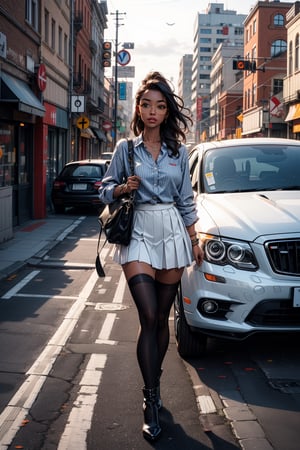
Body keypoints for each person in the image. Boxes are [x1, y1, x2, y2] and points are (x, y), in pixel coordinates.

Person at [98, 71, 204, 441]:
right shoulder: (126, 150)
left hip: (172, 231)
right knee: (147, 313)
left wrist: (194, 238)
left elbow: (185, 200)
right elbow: (104, 189)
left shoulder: (178, 152)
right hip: (138, 230)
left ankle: (153, 382)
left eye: (160, 106)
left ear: (167, 111)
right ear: (139, 109)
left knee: (160, 319)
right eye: (146, 105)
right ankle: (151, 397)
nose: (153, 111)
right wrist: (120, 188)